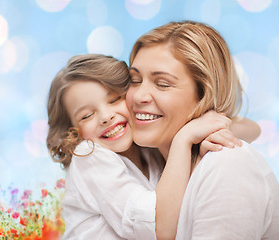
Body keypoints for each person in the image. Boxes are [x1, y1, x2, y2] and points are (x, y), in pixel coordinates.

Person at [47, 54, 260, 239]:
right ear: (73, 134)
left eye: (114, 99)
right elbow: (159, 230)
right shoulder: (89, 155)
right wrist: (184, 138)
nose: (105, 117)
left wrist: (202, 124)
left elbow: (252, 130)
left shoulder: (148, 146)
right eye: (86, 115)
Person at [126, 20, 279, 239]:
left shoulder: (227, 165)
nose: (139, 96)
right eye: (134, 80)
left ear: (204, 94)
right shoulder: (149, 163)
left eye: (163, 84)